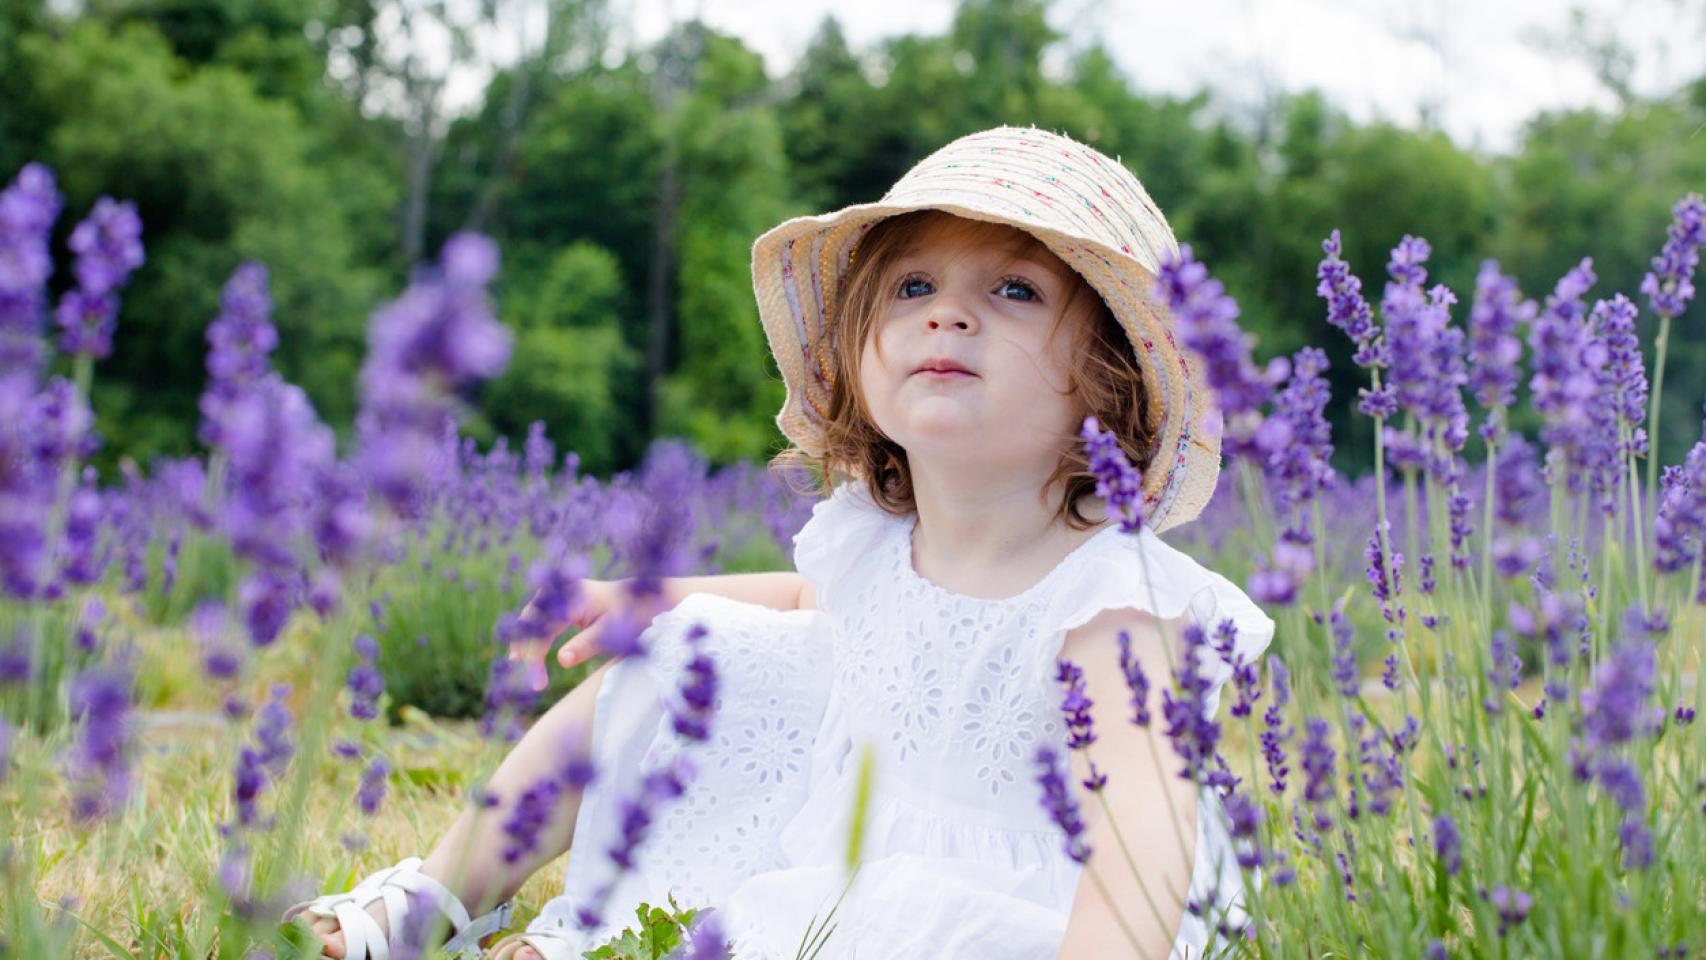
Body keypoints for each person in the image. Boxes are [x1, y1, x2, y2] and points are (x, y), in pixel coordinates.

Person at [285, 124, 1276, 959]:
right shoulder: (875, 539)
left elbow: (1145, 846)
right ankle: (442, 896)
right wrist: (652, 598)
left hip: (1011, 907)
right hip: (844, 823)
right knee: (686, 651)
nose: (948, 310)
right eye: (910, 286)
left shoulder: (1109, 601)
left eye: (1014, 290)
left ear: (1107, 375)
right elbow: (821, 609)